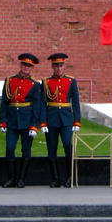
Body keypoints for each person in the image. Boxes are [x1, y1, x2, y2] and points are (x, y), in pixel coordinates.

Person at [0, 53, 43, 188]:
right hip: (12, 120)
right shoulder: (10, 80)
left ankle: (21, 179)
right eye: (24, 65)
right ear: (20, 65)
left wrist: (34, 125)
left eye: (28, 66)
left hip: (27, 121)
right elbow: (5, 102)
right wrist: (2, 121)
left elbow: (37, 106)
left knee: (26, 150)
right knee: (10, 148)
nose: (25, 68)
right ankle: (11, 178)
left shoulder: (35, 84)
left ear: (32, 68)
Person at [42, 53, 81, 188]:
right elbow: (43, 103)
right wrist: (43, 122)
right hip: (51, 118)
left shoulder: (71, 81)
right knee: (51, 149)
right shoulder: (46, 82)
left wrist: (77, 121)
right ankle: (55, 178)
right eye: (56, 66)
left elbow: (75, 102)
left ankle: (70, 176)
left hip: (66, 119)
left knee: (67, 145)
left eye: (61, 65)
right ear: (52, 67)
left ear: (64, 66)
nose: (58, 68)